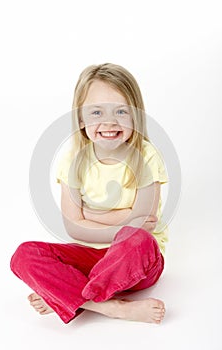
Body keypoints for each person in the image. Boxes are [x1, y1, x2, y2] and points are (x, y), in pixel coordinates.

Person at [10, 63, 169, 324]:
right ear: (81, 119)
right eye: (96, 112)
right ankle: (110, 307)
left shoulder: (146, 157)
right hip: (90, 259)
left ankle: (67, 296)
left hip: (137, 262)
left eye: (121, 111)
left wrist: (90, 214)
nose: (109, 122)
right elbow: (74, 229)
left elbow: (143, 223)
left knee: (137, 239)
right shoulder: (73, 159)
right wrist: (122, 219)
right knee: (24, 255)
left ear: (136, 116)